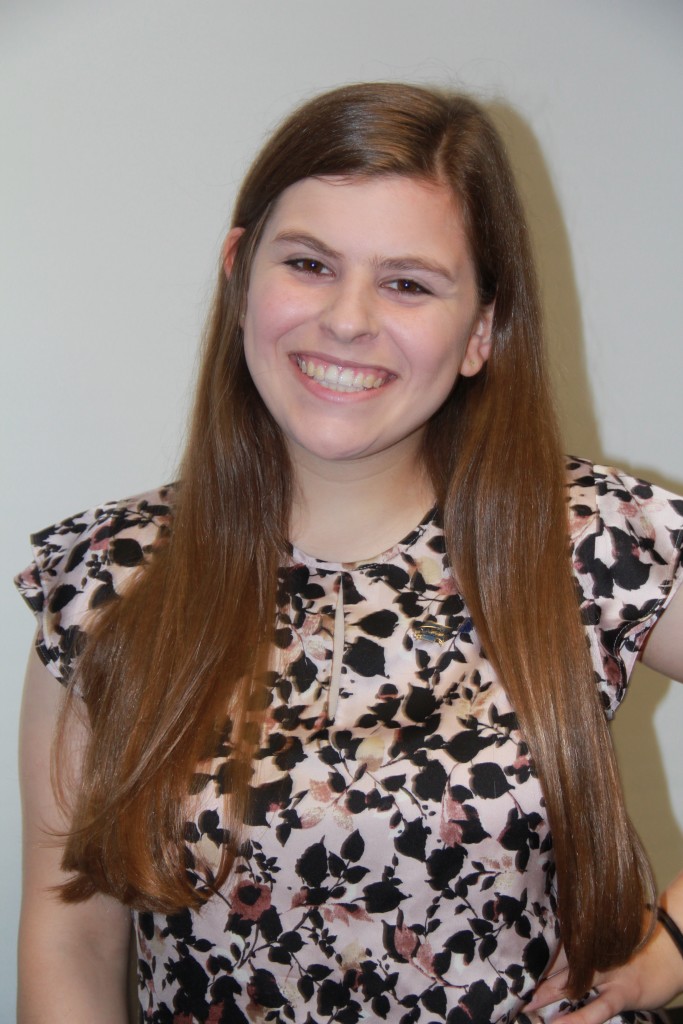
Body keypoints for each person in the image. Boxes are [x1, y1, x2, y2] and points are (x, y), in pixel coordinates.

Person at [15, 82, 683, 1024]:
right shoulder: (111, 581)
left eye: (408, 282)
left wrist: (672, 946)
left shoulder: (585, 537)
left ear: (481, 331)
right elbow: (69, 939)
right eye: (310, 263)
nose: (348, 319)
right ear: (239, 270)